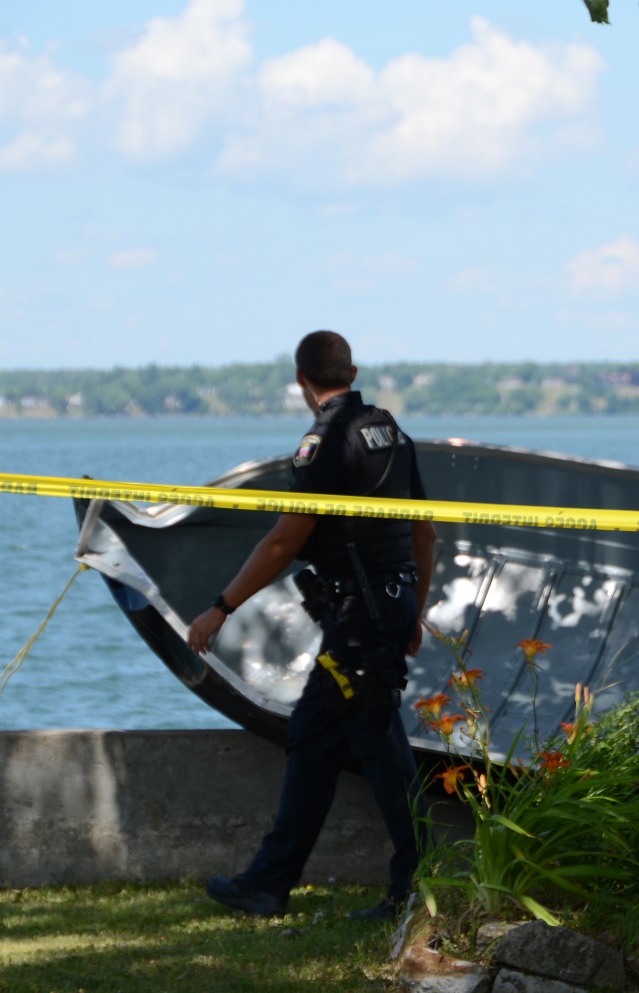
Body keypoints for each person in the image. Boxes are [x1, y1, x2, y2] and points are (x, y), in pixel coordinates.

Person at [186, 330, 436, 921]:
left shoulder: (325, 443)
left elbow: (283, 542)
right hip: (387, 605)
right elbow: (424, 532)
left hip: (360, 618)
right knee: (314, 739)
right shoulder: (391, 432)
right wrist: (414, 609)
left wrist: (221, 606)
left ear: (303, 380)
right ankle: (268, 883)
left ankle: (421, 888)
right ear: (353, 372)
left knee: (381, 749)